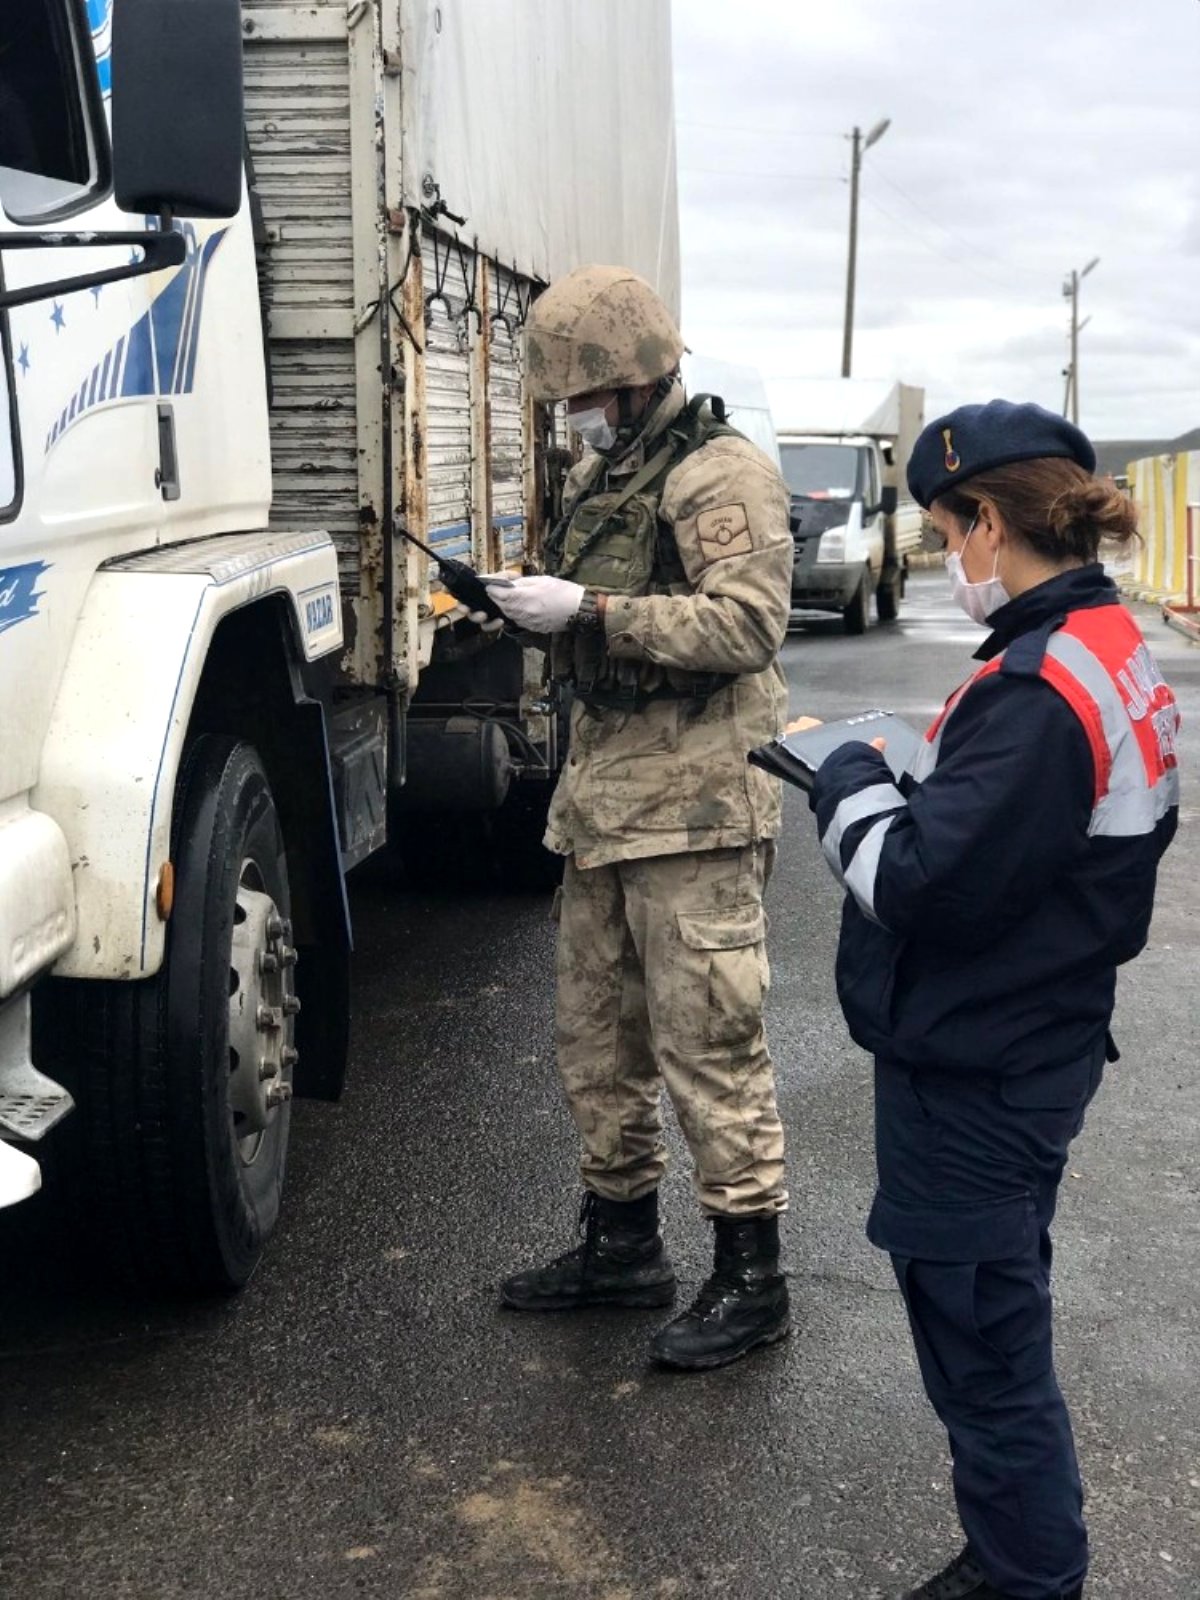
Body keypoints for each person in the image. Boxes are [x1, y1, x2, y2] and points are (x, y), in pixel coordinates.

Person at [796, 401, 1179, 1599]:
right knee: (989, 1324)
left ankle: (1026, 1576)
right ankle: (1014, 1554)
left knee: (985, 1350)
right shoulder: (1101, 641)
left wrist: (845, 773)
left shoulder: (1038, 685)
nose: (944, 554)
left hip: (981, 1073)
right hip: (1033, 1044)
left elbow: (914, 884)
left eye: (945, 527)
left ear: (990, 522)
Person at [489, 264, 794, 1370]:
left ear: (629, 381)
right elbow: (601, 617)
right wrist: (535, 609)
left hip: (696, 808)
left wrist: (595, 610)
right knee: (598, 1041)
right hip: (604, 799)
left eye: (582, 395)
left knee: (710, 1041)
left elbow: (747, 624)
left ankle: (751, 1277)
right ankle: (622, 1246)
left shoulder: (720, 475)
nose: (572, 415)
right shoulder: (609, 474)